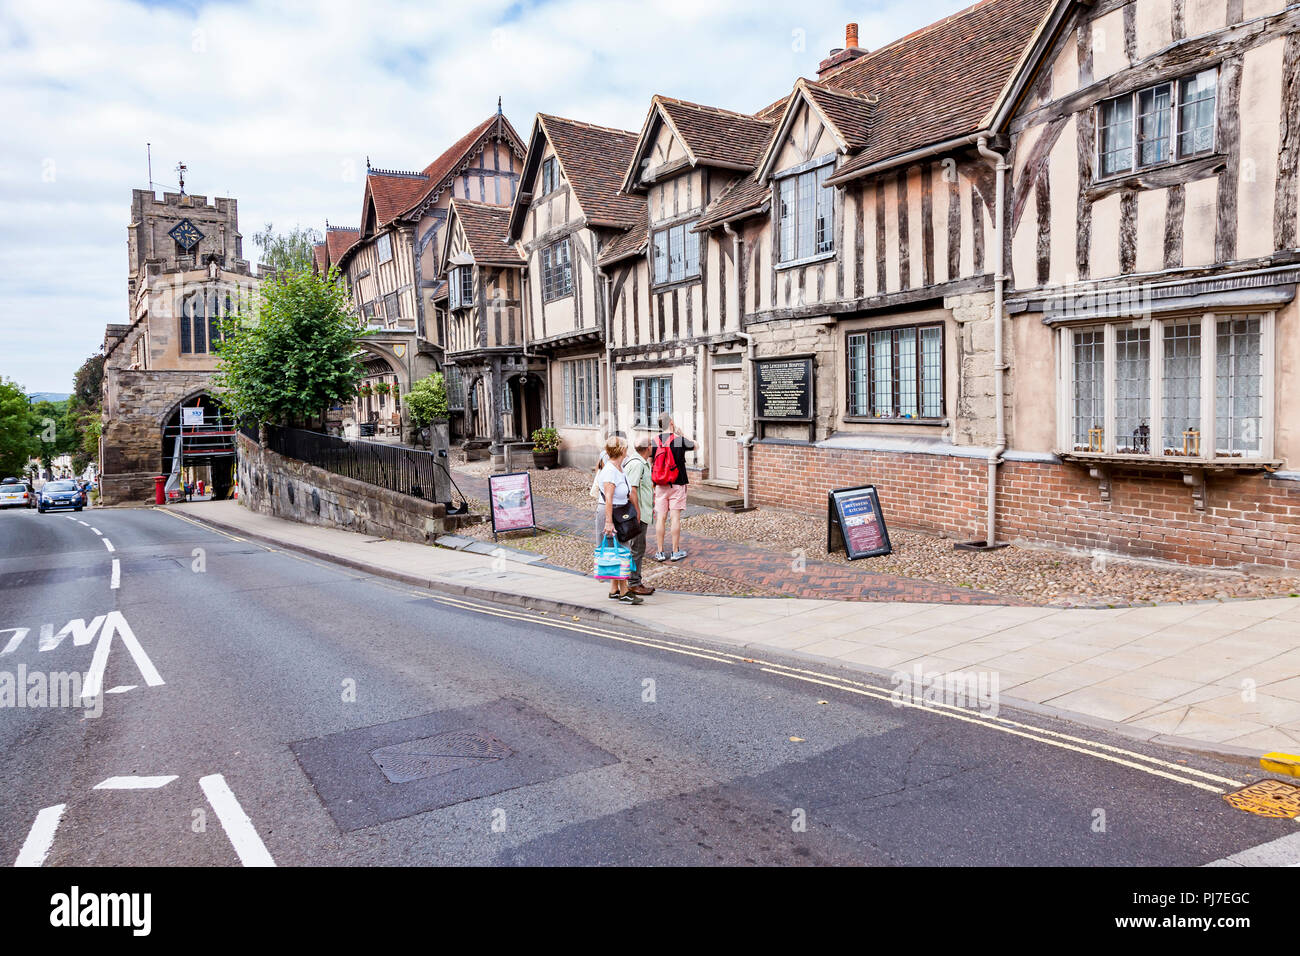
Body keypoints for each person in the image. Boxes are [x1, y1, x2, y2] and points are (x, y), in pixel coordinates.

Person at [595, 434, 643, 605]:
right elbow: (609, 498)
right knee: (621, 551)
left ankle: (614, 589)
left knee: (616, 550)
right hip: (611, 513)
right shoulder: (609, 471)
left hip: (619, 512)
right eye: (626, 447)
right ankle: (624, 592)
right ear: (622, 450)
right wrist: (609, 522)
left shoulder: (618, 467)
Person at [651, 411, 694, 562]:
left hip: (660, 484)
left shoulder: (654, 441)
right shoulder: (678, 439)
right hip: (677, 482)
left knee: (661, 518)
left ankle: (660, 552)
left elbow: (652, 462)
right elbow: (696, 446)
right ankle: (675, 551)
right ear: (671, 422)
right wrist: (683, 434)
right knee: (675, 518)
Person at [622, 435, 656, 596]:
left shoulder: (640, 462)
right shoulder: (637, 464)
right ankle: (634, 583)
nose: (652, 447)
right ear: (648, 448)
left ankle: (634, 581)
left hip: (641, 512)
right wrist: (637, 511)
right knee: (637, 548)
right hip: (638, 514)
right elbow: (632, 490)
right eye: (651, 444)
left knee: (637, 547)